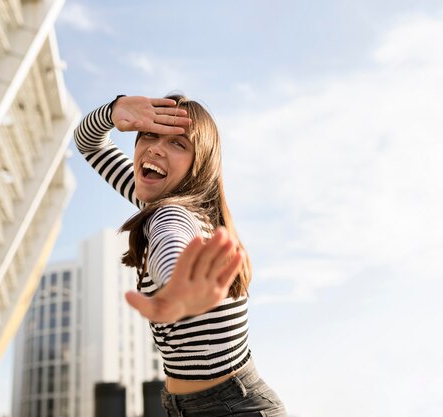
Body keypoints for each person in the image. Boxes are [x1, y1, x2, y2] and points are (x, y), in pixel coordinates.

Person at [74, 95, 286, 416]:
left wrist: (175, 286)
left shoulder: (171, 214)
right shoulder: (158, 202)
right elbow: (88, 143)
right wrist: (113, 111)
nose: (156, 148)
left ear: (198, 165)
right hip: (201, 405)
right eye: (149, 135)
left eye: (178, 144)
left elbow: (171, 245)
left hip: (230, 408)